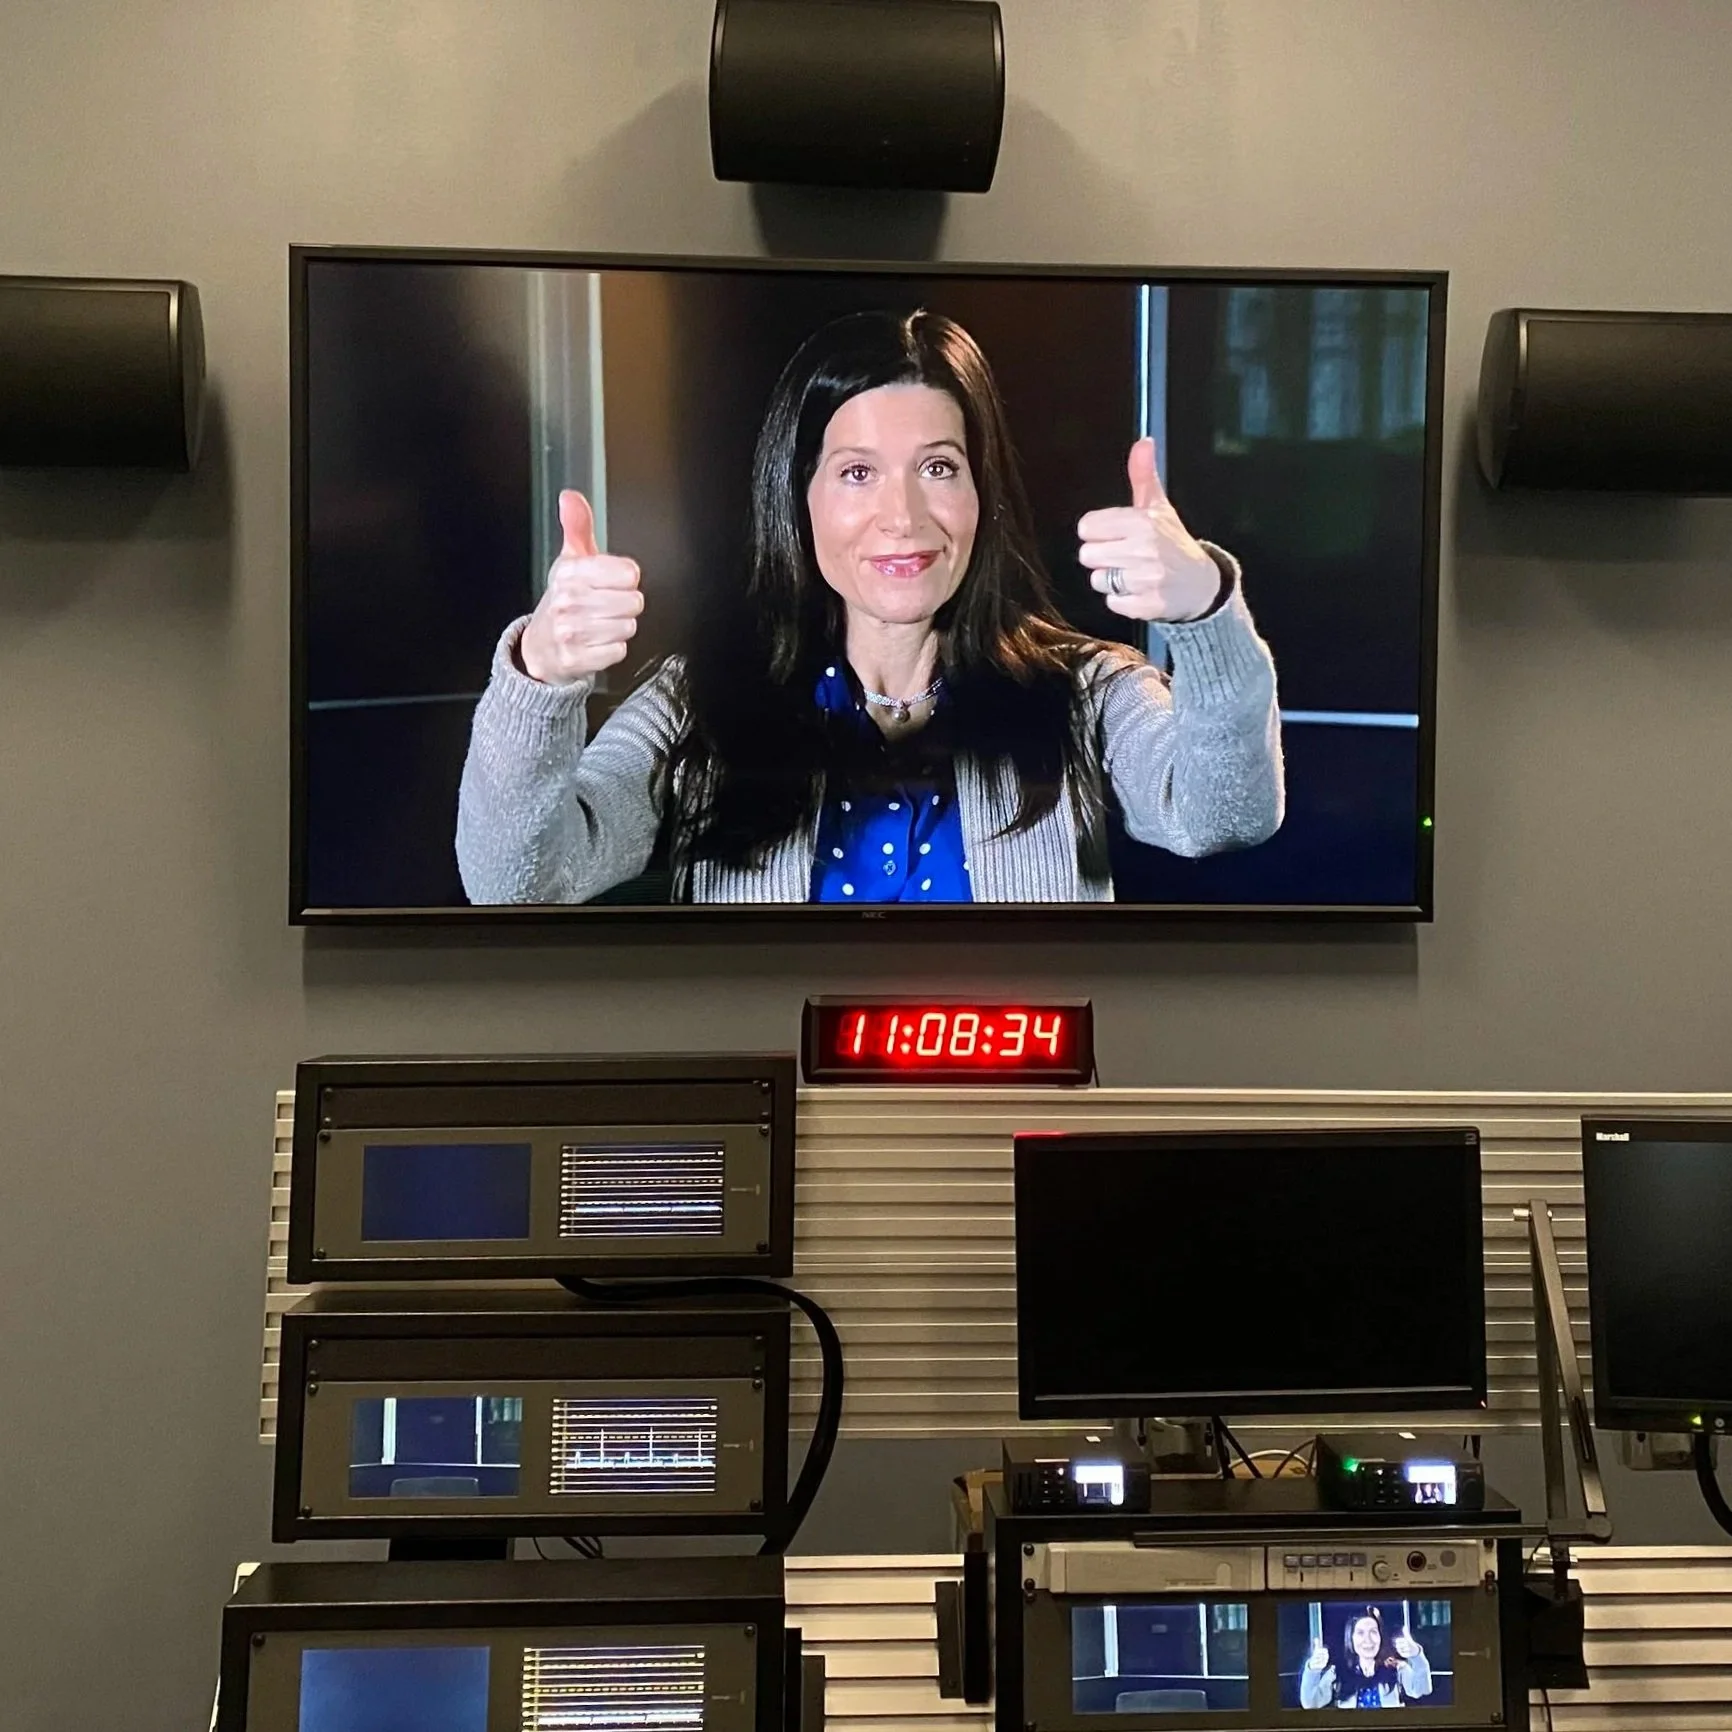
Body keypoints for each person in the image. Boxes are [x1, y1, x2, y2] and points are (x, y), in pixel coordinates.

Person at [456, 308, 1283, 905]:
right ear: (799, 495)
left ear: (981, 493)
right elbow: (516, 882)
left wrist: (1205, 610)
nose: (903, 518)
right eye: (857, 473)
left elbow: (1225, 814)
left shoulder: (1089, 688)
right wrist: (541, 677)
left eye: (938, 468)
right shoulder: (696, 700)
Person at [1300, 1608, 1433, 1710]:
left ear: (1381, 1636)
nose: (1367, 1640)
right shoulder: (1337, 1673)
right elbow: (1310, 1703)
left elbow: (1422, 1689)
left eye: (1373, 1632)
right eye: (1360, 1633)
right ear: (1350, 1638)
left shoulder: (1396, 1668)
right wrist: (1313, 1669)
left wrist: (1416, 1654)